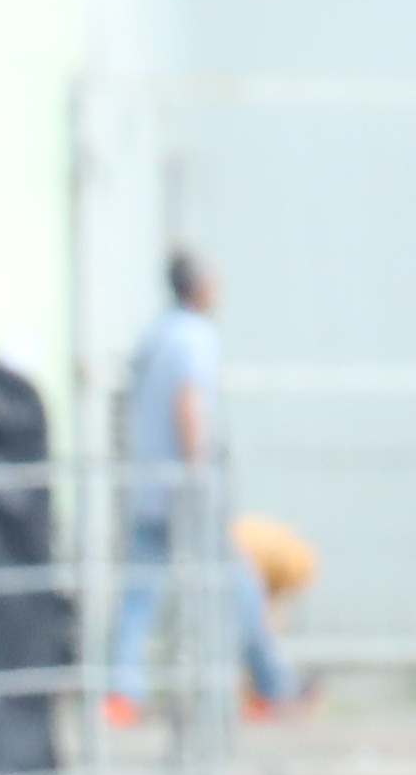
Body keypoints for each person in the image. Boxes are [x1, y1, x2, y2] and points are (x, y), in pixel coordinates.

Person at [110, 250, 286, 724]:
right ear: (200, 286)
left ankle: (122, 691)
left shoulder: (156, 334)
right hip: (183, 491)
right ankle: (272, 685)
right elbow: (189, 400)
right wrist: (198, 471)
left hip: (147, 486)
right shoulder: (195, 337)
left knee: (139, 594)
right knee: (237, 580)